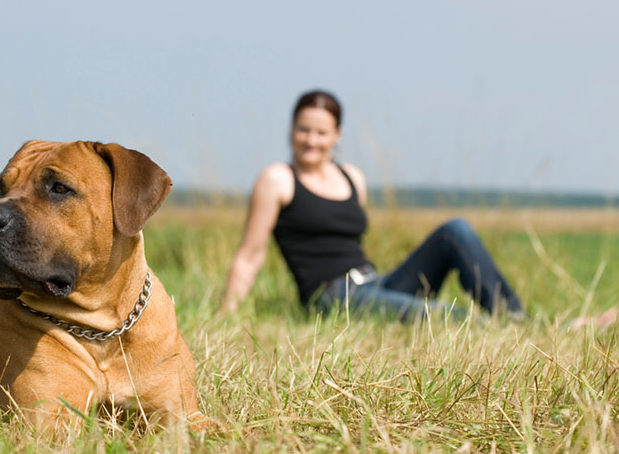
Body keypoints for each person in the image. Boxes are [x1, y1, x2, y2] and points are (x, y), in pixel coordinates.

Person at [220, 90, 524, 321]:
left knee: (455, 230)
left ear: (337, 135)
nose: (311, 140)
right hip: (332, 296)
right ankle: (504, 328)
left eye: (321, 133)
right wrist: (225, 315)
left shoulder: (352, 177)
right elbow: (250, 255)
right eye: (303, 130)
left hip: (375, 282)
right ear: (291, 130)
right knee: (439, 315)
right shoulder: (277, 179)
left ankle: (514, 317)